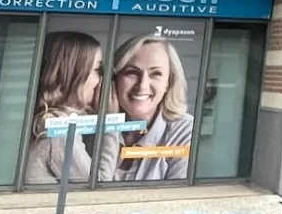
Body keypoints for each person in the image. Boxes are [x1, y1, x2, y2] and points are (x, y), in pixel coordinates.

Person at [95, 34, 194, 182]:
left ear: (169, 82)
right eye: (132, 72)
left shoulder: (185, 129)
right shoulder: (91, 122)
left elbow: (177, 199)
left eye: (156, 74)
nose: (142, 85)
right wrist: (109, 122)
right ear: (113, 78)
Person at [25, 31, 103, 184]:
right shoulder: (59, 130)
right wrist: (111, 122)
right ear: (74, 75)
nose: (101, 80)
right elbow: (100, 185)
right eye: (97, 70)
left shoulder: (54, 120)